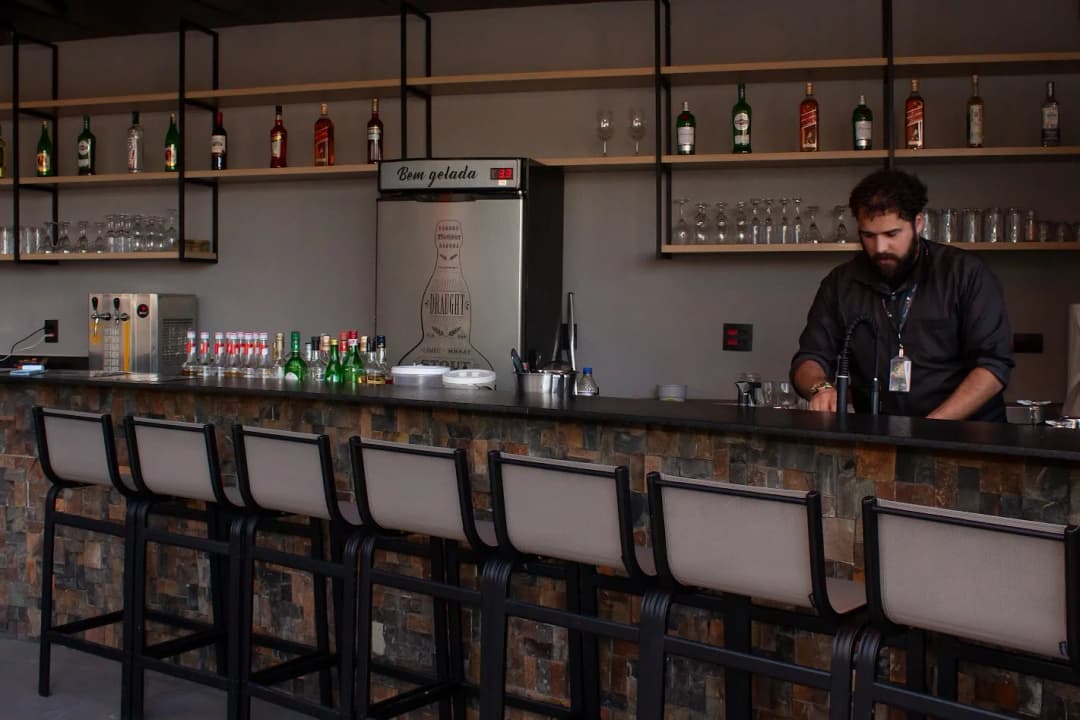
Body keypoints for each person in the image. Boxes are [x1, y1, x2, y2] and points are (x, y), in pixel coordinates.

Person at [790, 169, 1014, 421]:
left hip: (966, 438)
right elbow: (809, 358)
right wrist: (820, 388)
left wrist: (931, 427)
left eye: (891, 234)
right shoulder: (841, 283)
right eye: (868, 236)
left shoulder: (966, 274)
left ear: (918, 223)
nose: (880, 248)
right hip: (881, 437)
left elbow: (993, 366)